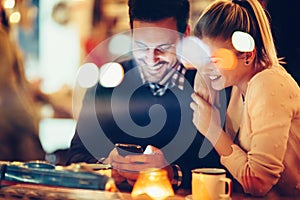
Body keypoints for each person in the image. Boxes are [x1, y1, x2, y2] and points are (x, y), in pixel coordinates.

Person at [66, 0, 224, 190]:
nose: (151, 59)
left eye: (164, 48)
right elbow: (75, 156)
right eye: (141, 46)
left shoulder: (211, 88)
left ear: (186, 36)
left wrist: (173, 174)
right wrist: (108, 168)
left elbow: (224, 166)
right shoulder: (107, 84)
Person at [190, 0, 300, 197]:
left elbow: (258, 183)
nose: (205, 69)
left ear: (248, 55)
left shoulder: (268, 83)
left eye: (215, 60)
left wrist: (212, 130)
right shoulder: (236, 85)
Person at [0, 5, 45, 162]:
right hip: (10, 129)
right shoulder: (2, 37)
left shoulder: (5, 34)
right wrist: (27, 120)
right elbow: (7, 87)